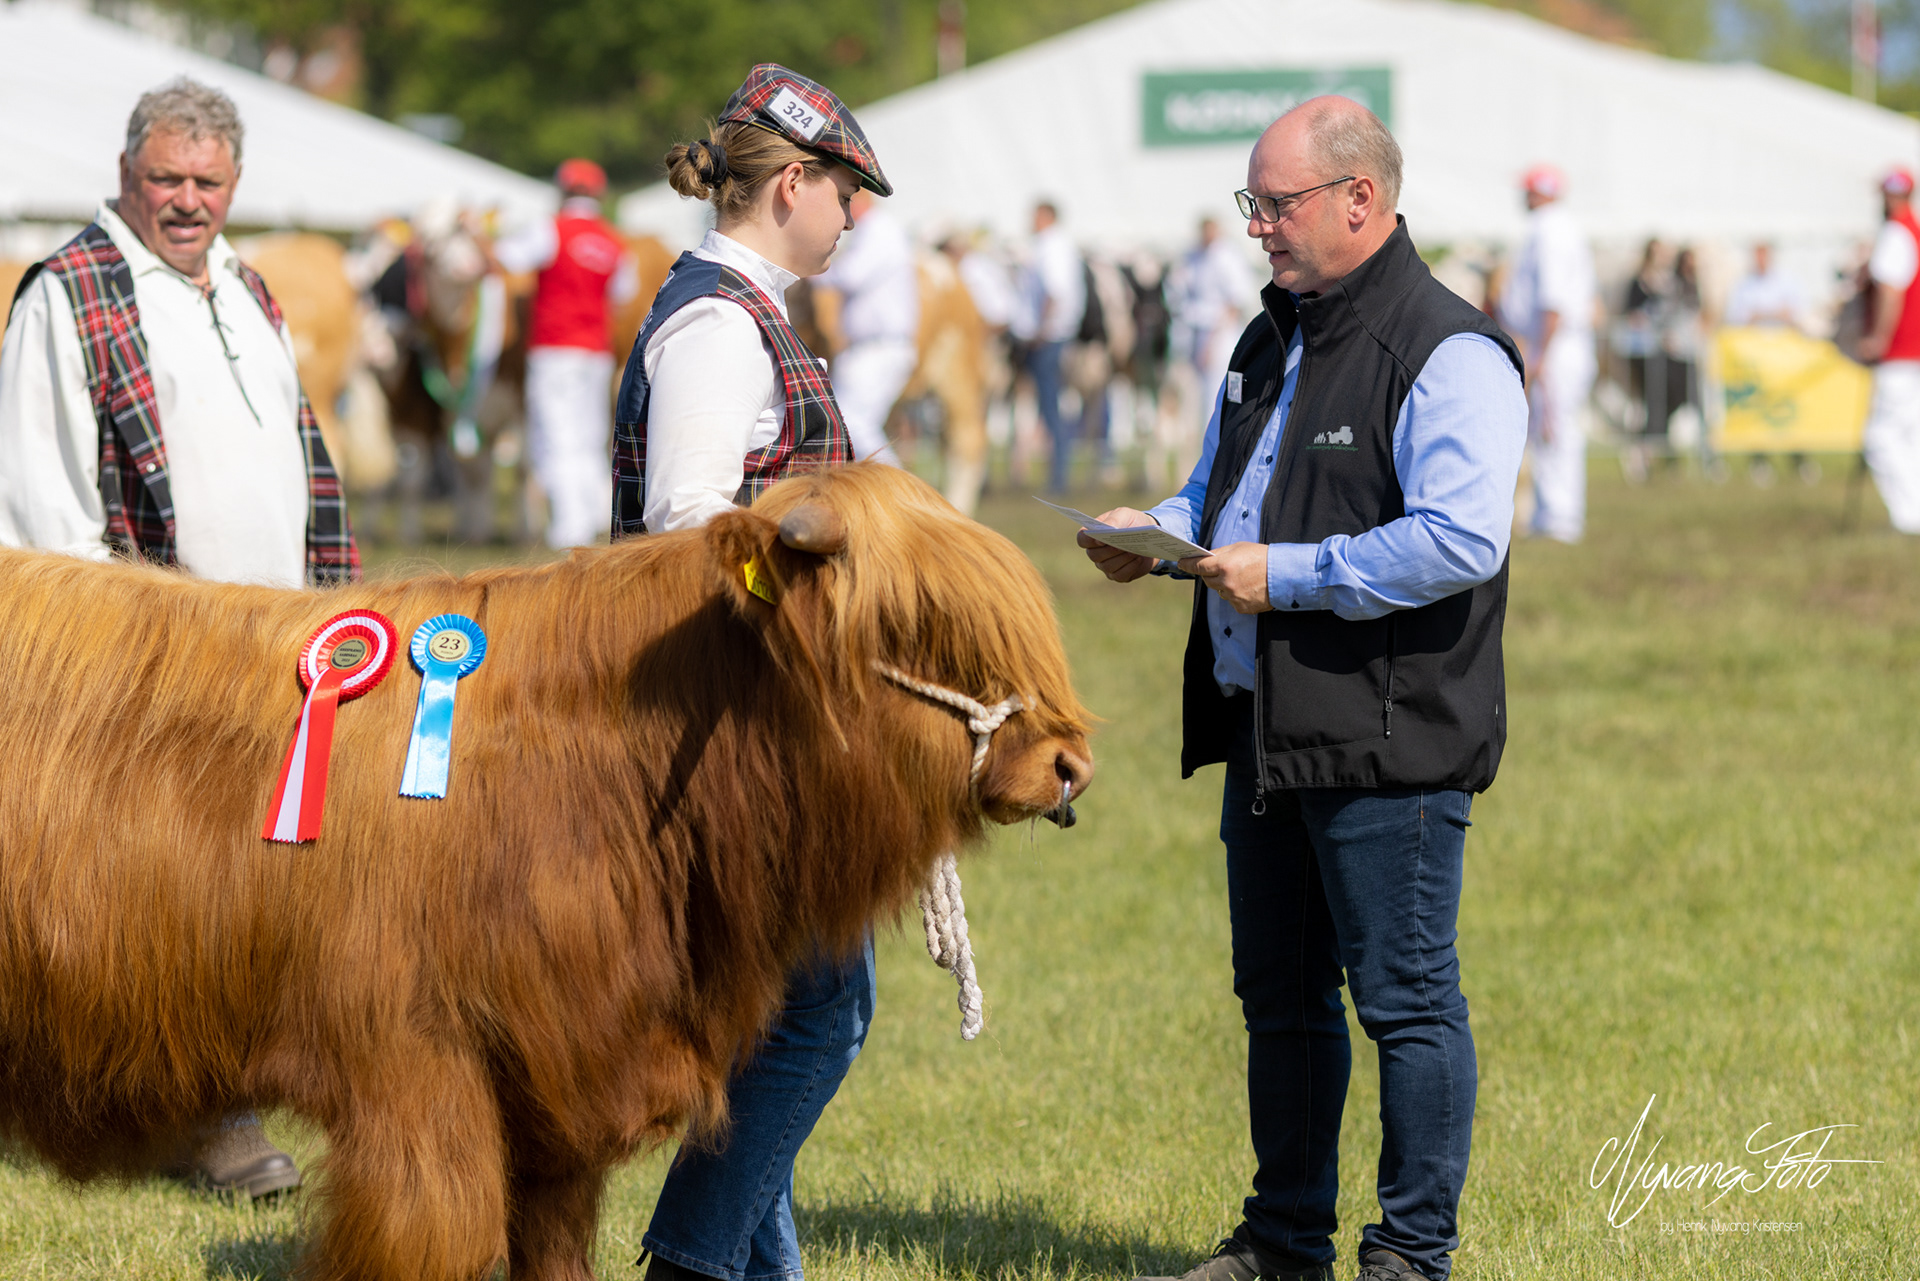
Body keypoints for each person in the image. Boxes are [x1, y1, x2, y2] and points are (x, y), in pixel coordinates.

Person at [1079, 96, 1527, 1281]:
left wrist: (1291, 576)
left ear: (1359, 200)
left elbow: (1460, 539)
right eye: (1254, 203)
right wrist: (1153, 533)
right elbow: (1221, 492)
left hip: (1389, 730)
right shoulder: (1267, 337)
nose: (1257, 227)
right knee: (1279, 997)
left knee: (1405, 1000)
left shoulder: (1450, 351)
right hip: (1267, 727)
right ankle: (1284, 1243)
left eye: (1275, 204)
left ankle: (1410, 1256)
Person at [0, 77, 357, 1199]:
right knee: (170, 904)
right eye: (165, 178)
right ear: (126, 175)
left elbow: (301, 461)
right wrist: (106, 673)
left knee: (254, 889)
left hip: (281, 655)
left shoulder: (246, 287)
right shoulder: (68, 293)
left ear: (235, 183)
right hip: (154, 668)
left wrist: (334, 612)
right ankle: (205, 1114)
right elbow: (43, 512)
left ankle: (215, 1088)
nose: (186, 200)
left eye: (207, 181)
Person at [607, 64, 886, 1281]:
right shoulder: (723, 326)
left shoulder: (744, 310)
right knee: (821, 1014)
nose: (855, 216)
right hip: (735, 722)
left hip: (755, 715)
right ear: (792, 185)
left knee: (779, 1017)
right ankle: (691, 1263)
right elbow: (688, 530)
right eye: (847, 191)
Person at [490, 158, 640, 548]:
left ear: (562, 191)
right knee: (590, 436)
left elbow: (506, 258)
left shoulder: (550, 229)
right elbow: (623, 293)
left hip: (554, 348)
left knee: (556, 436)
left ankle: (570, 528)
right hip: (596, 351)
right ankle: (597, 515)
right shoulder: (613, 241)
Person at [1499, 163, 1595, 542]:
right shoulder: (1560, 228)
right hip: (1555, 341)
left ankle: (1560, 517)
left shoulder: (1549, 231)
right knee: (1548, 427)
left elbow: (1551, 298)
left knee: (1555, 428)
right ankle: (1549, 513)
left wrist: (1540, 352)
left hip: (1554, 343)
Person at [817, 187, 919, 466]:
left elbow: (851, 275)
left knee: (852, 423)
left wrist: (813, 271)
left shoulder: (879, 229)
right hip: (868, 347)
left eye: (846, 200)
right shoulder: (873, 230)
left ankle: (894, 487)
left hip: (879, 347)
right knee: (843, 422)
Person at [1854, 168, 1920, 532]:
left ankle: (1909, 517)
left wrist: (1878, 337)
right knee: (1910, 434)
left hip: (1900, 352)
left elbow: (1891, 292)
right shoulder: (1914, 231)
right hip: (1914, 351)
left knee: (1880, 438)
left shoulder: (1896, 234)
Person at [1011, 200, 1085, 492]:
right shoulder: (1054, 245)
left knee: (1051, 406)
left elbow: (1055, 292)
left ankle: (1059, 476)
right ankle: (1056, 473)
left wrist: (1041, 330)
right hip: (1051, 334)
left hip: (1049, 337)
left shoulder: (1051, 246)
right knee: (1049, 405)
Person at [1725, 242, 1807, 330]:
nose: (1761, 258)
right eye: (1758, 254)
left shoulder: (1788, 281)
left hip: (1783, 333)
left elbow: (1800, 311)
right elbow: (1733, 315)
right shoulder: (1744, 283)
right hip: (1751, 334)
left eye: (1764, 253)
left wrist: (1778, 315)